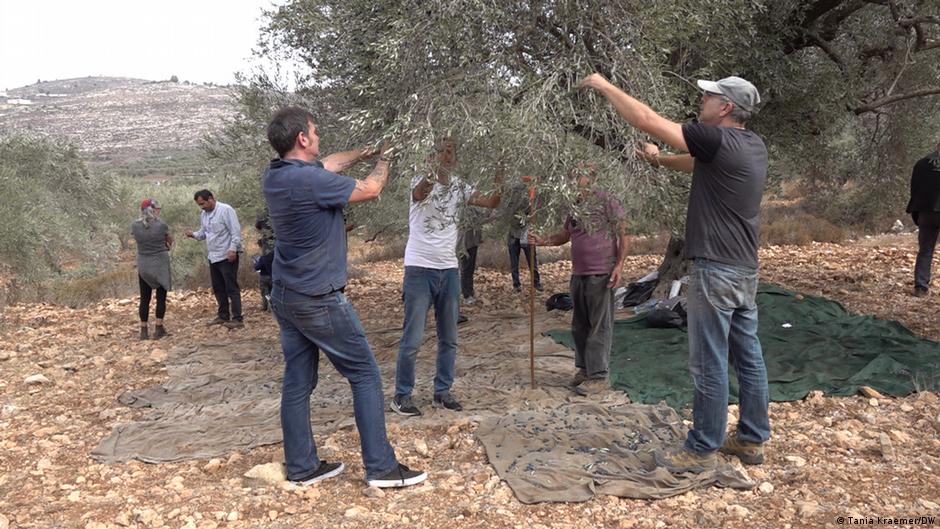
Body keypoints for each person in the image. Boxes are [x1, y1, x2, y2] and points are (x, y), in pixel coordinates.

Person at [581, 73, 771, 472]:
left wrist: (605, 86)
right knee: (748, 356)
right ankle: (752, 440)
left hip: (715, 270)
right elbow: (693, 162)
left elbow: (648, 119)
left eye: (710, 95)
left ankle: (701, 447)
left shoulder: (716, 138)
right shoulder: (752, 145)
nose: (702, 98)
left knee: (709, 361)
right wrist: (657, 160)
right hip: (744, 269)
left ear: (726, 108)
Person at [262, 106, 426, 488]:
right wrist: (387, 156)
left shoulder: (278, 174)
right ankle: (382, 468)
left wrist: (367, 149)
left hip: (285, 295)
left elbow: (331, 163)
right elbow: (371, 189)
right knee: (365, 374)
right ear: (303, 138)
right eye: (315, 133)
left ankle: (302, 467)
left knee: (298, 381)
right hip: (318, 296)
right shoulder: (309, 182)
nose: (319, 138)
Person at [390, 139, 501, 417]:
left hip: (448, 270)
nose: (447, 155)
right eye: (442, 150)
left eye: (451, 151)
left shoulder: (460, 187)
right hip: (419, 269)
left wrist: (501, 168)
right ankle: (402, 395)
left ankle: (442, 391)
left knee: (449, 337)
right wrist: (435, 170)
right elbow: (421, 192)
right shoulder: (420, 181)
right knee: (413, 338)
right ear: (431, 155)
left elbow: (492, 201)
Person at [529, 165, 628, 396]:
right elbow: (565, 235)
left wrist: (619, 265)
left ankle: (599, 376)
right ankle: (584, 369)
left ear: (591, 177)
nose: (573, 178)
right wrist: (543, 240)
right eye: (572, 173)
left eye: (579, 174)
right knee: (579, 326)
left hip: (601, 272)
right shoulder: (573, 205)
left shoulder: (607, 200)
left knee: (599, 325)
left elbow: (624, 231)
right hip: (579, 274)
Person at [184, 190, 244, 329]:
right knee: (218, 287)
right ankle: (223, 315)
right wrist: (192, 234)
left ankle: (237, 318)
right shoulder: (204, 215)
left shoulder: (226, 210)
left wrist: (233, 249)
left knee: (231, 287)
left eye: (203, 203)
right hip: (213, 256)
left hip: (227, 254)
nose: (202, 207)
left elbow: (235, 232)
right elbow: (204, 233)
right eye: (199, 205)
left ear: (211, 198)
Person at [132, 198, 173, 340]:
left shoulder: (135, 226)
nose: (159, 211)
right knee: (161, 297)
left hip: (143, 263)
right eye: (157, 209)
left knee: (145, 298)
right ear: (152, 210)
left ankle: (143, 330)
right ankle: (159, 328)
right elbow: (169, 240)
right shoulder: (161, 225)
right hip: (160, 262)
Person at [906, 142, 940, 297]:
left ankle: (921, 287)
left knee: (925, 251)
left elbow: (915, 190)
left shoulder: (921, 164)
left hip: (926, 213)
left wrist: (916, 213)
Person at [507, 176, 542, 293]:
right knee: (514, 261)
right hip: (513, 232)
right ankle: (516, 285)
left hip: (526, 232)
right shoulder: (511, 199)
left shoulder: (530, 197)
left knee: (532, 259)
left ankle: (536, 283)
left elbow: (534, 213)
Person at [457, 212, 483, 304]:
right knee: (465, 269)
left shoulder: (476, 208)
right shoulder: (463, 208)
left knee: (470, 269)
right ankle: (466, 294)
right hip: (464, 244)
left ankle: (470, 292)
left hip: (473, 242)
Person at [254, 208, 276, 311]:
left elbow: (257, 225)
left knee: (265, 292)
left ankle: (266, 307)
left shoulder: (262, 212)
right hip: (274, 269)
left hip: (264, 274)